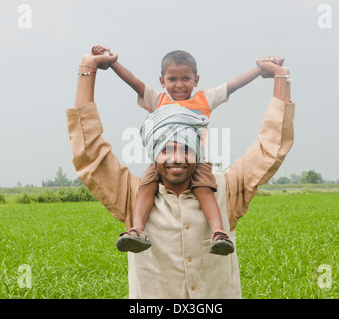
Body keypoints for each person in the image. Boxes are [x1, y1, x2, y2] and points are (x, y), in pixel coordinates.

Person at [67, 50, 294, 298]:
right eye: (165, 149)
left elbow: (269, 148)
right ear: (153, 154)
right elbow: (89, 152)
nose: (176, 158)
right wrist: (87, 69)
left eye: (186, 148)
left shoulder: (226, 192)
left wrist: (281, 78)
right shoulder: (132, 195)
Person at [91, 45, 283, 255]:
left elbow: (234, 85)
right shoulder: (158, 100)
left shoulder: (204, 99)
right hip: (162, 162)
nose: (180, 85)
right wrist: (112, 62)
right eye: (172, 79)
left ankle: (219, 233)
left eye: (186, 79)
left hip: (195, 162)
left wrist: (261, 70)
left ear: (196, 80)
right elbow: (133, 82)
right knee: (146, 186)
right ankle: (136, 230)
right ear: (162, 81)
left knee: (204, 189)